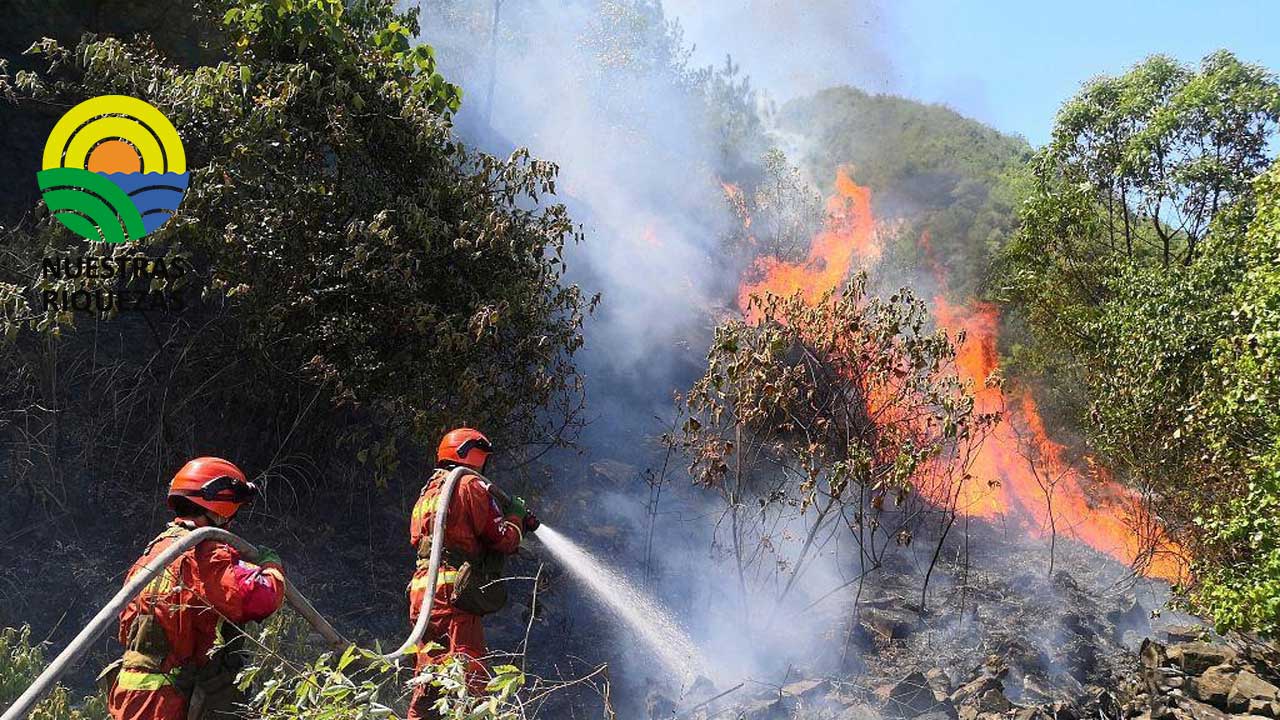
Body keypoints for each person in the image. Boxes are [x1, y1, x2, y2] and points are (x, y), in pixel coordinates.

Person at [103, 457, 286, 720]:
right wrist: (271, 565)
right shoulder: (204, 551)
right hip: (173, 701)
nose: (232, 521)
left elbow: (127, 625)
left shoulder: (155, 551)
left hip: (131, 697)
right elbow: (258, 597)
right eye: (233, 511)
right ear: (220, 508)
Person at [407, 428, 531, 720]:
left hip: (422, 591)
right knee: (468, 670)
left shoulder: (428, 493)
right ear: (475, 456)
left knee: (430, 672)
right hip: (454, 595)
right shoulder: (470, 485)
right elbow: (502, 538)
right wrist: (515, 517)